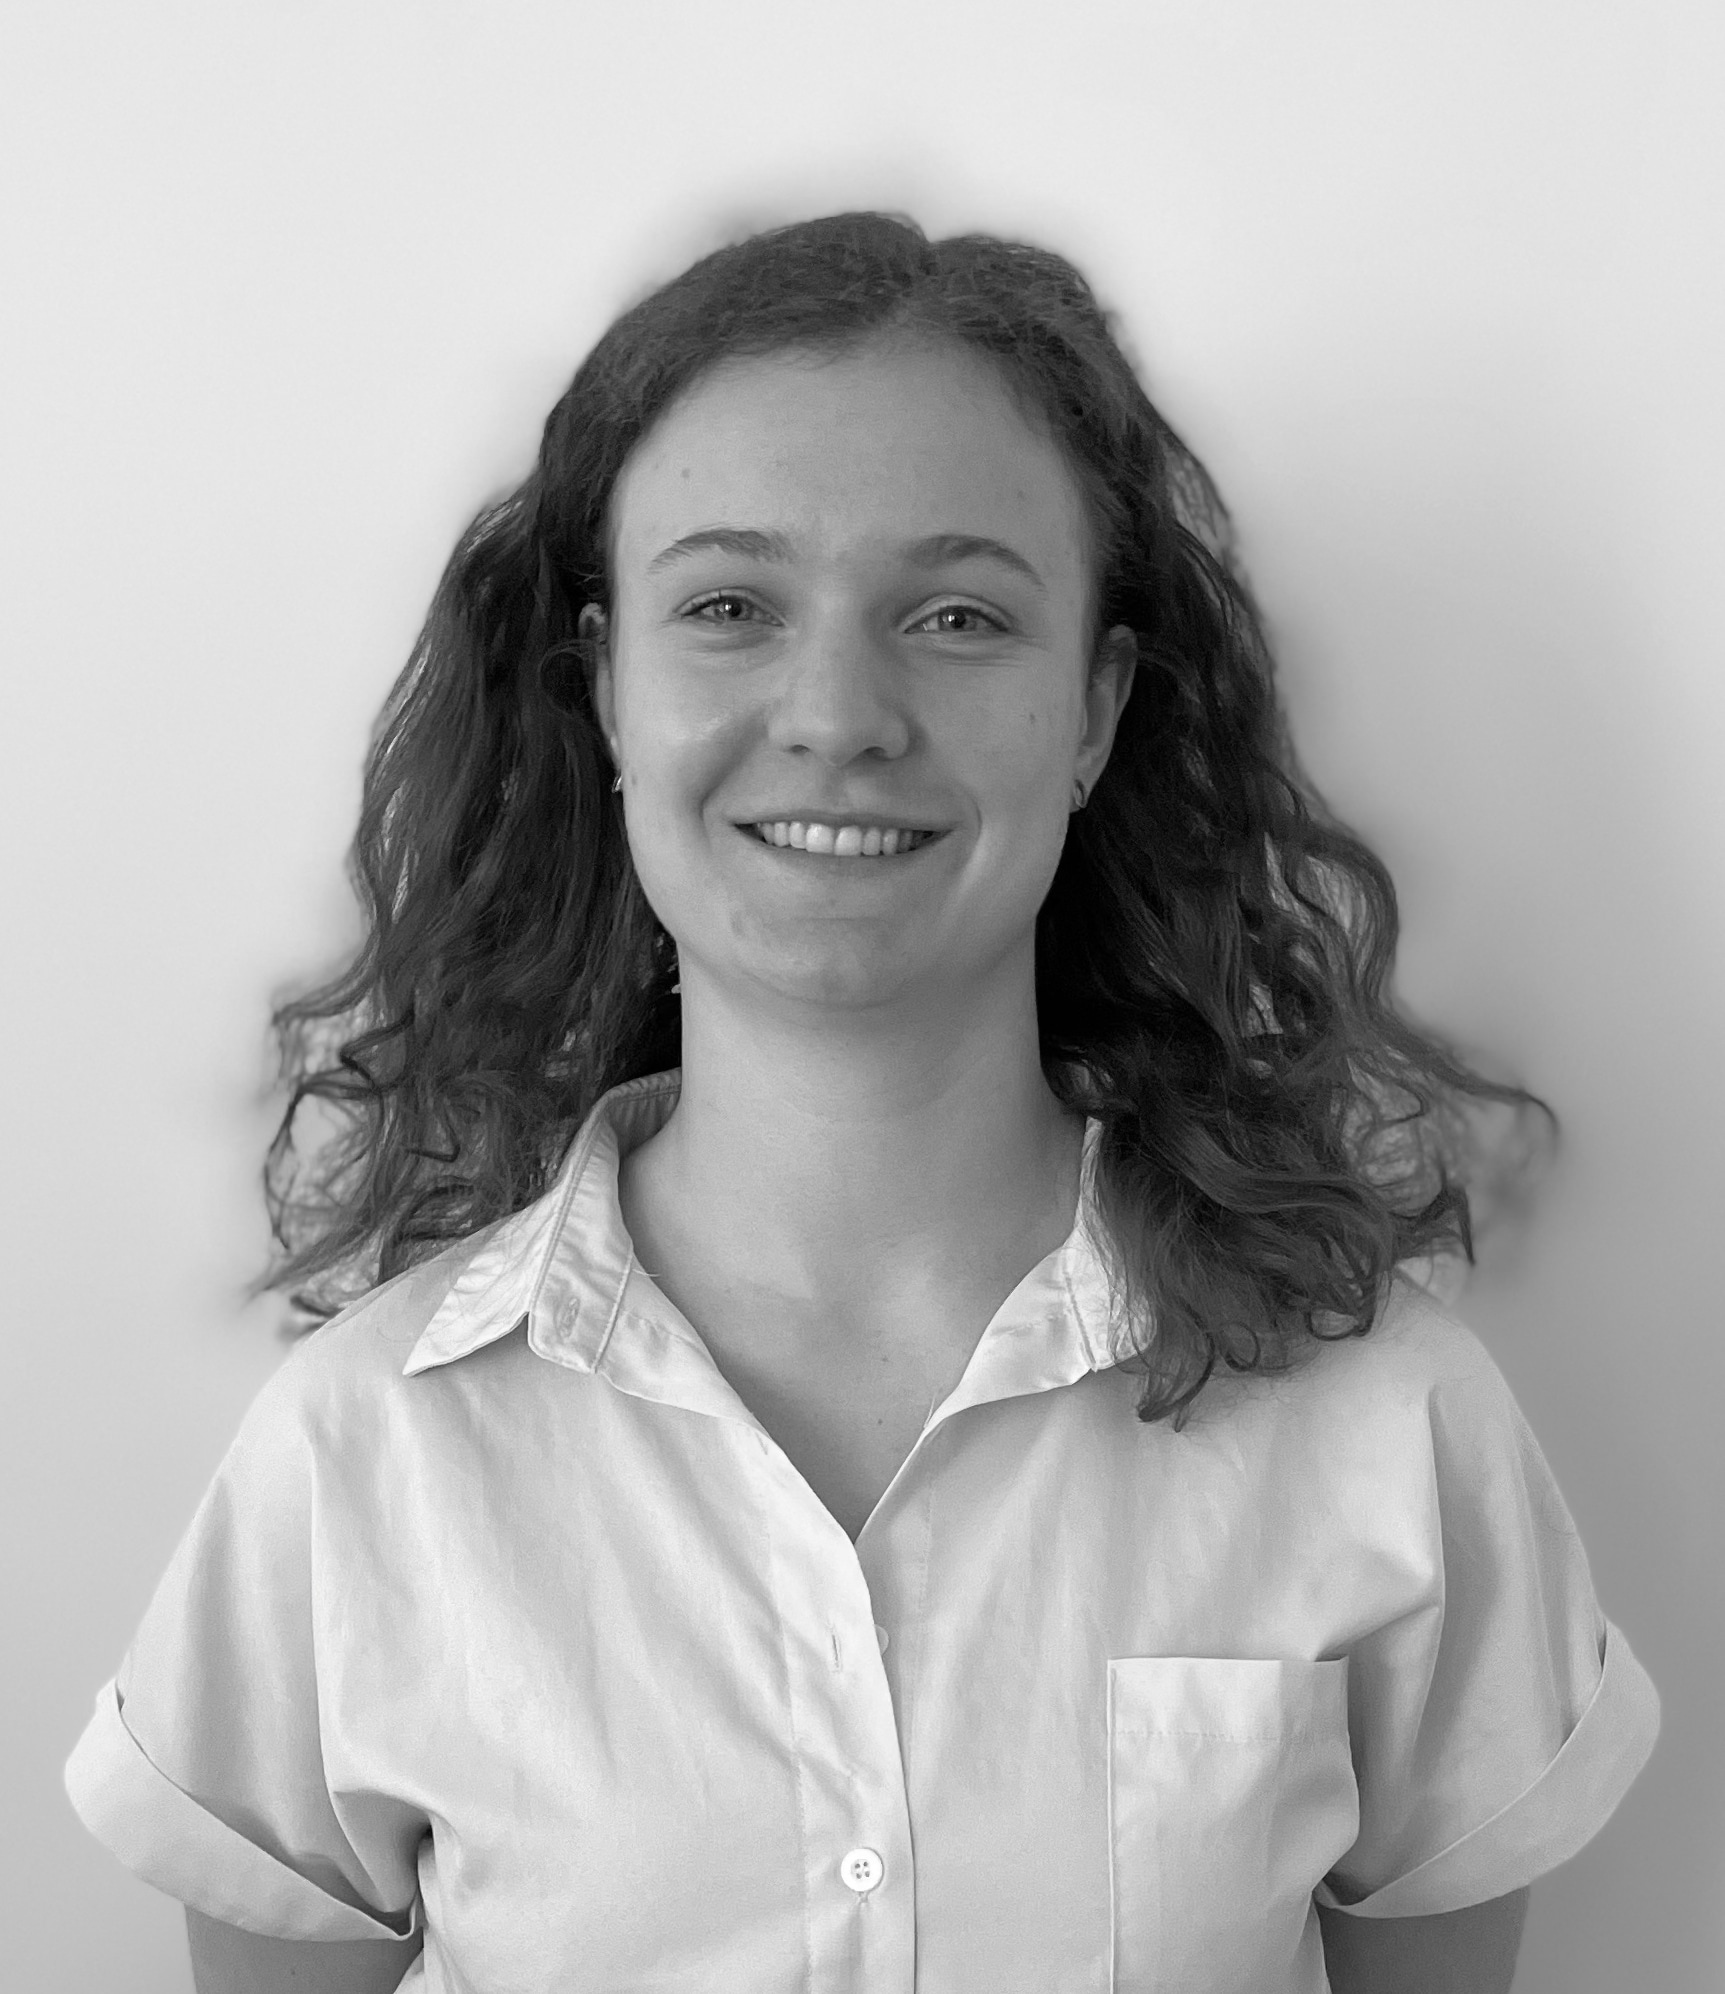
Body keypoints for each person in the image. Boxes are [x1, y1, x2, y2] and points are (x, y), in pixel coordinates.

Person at [64, 210, 1659, 1994]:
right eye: (728, 609)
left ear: (1095, 708)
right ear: (606, 688)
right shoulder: (359, 1458)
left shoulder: (1386, 1421)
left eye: (958, 615)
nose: (836, 713)